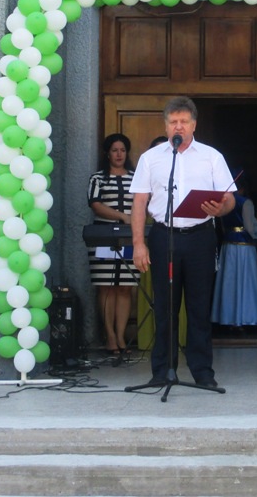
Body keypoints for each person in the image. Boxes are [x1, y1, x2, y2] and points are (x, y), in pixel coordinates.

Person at [130, 96, 235, 389]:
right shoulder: (151, 158)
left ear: (194, 125)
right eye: (173, 122)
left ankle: (203, 372)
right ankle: (162, 371)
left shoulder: (211, 156)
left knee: (199, 308)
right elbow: (139, 202)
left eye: (184, 122)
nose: (179, 127)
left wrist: (221, 208)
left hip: (201, 236)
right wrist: (139, 244)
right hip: (164, 237)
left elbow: (229, 199)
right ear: (166, 126)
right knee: (165, 307)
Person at [87, 133, 137, 357]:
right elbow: (95, 205)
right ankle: (109, 337)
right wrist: (122, 216)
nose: (119, 154)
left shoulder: (136, 178)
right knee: (106, 285)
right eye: (115, 150)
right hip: (103, 236)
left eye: (123, 150)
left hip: (129, 238)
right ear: (107, 153)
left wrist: (131, 221)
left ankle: (120, 335)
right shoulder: (98, 178)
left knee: (125, 286)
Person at [211, 171, 257, 329]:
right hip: (244, 249)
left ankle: (229, 318)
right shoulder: (246, 202)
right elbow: (250, 228)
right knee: (245, 282)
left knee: (230, 283)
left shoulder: (223, 201)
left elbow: (222, 226)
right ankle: (245, 318)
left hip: (228, 247)